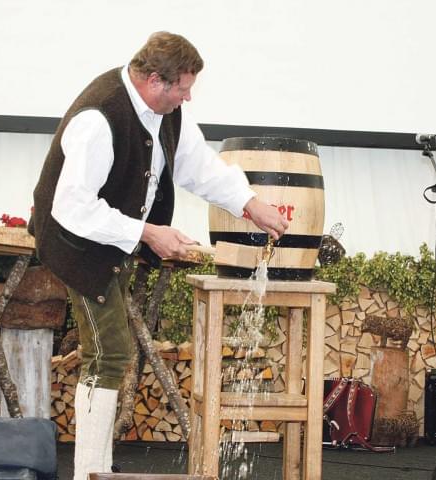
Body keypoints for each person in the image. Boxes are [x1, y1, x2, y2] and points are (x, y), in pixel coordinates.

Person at [29, 31, 289, 480]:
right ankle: (89, 471)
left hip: (111, 239)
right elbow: (72, 208)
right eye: (184, 87)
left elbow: (199, 167)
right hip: (74, 243)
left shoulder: (168, 113)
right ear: (155, 80)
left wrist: (250, 204)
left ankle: (95, 468)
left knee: (108, 352)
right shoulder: (99, 117)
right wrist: (149, 233)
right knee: (109, 352)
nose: (189, 97)